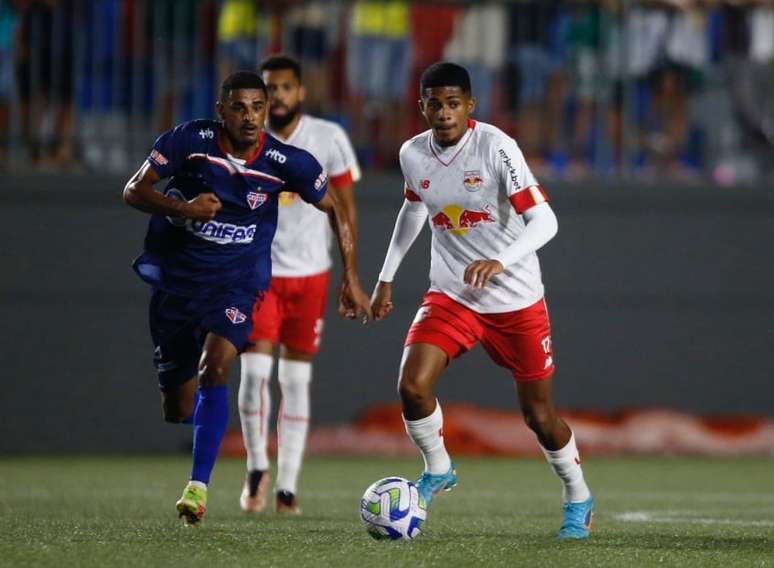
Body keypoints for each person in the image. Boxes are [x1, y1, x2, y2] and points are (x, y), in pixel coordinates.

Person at [122, 71, 371, 525]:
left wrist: (351, 278)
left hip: (238, 285)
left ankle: (198, 489)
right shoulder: (189, 141)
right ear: (222, 112)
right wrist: (185, 208)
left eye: (258, 107)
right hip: (179, 285)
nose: (251, 116)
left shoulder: (285, 161)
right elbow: (133, 190)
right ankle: (210, 427)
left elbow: (336, 208)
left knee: (215, 366)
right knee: (178, 406)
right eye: (240, 107)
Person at [370, 62, 594, 540]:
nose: (444, 112)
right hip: (453, 293)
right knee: (412, 386)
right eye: (435, 103)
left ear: (470, 106)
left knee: (539, 416)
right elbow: (413, 209)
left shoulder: (496, 147)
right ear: (422, 106)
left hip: (516, 302)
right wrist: (386, 277)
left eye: (454, 103)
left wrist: (501, 260)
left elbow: (545, 222)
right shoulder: (413, 153)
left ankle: (578, 494)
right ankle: (438, 468)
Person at [237, 54, 361, 515]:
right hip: (260, 273)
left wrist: (351, 274)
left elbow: (346, 208)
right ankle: (256, 465)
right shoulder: (247, 142)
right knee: (252, 378)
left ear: (300, 92)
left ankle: (287, 486)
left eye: (287, 88)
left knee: (296, 380)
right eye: (271, 89)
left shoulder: (328, 138)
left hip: (311, 275)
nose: (279, 97)